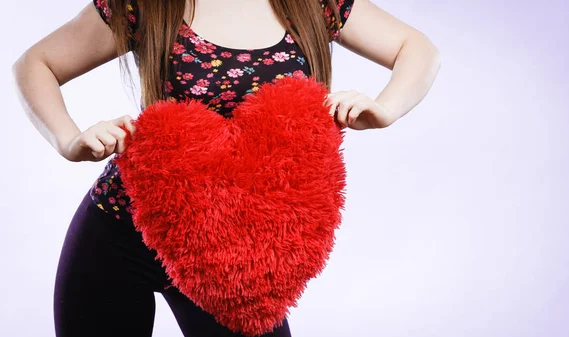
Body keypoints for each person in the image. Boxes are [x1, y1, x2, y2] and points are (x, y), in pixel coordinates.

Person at [12, 0, 441, 336]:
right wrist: (70, 141)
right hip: (122, 229)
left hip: (236, 255)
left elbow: (417, 49)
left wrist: (386, 108)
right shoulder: (141, 5)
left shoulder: (316, 4)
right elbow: (36, 63)